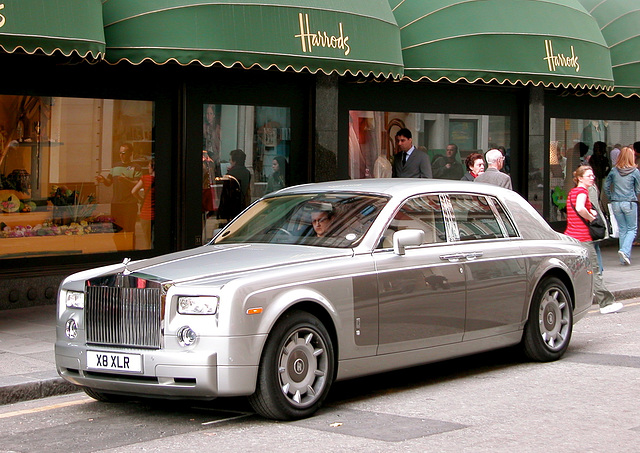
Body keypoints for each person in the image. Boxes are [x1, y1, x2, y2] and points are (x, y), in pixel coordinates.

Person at [566, 166, 622, 314]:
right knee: (594, 270)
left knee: (576, 271)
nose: (592, 178)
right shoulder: (582, 191)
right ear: (579, 178)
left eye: (592, 175)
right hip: (583, 237)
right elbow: (579, 208)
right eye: (589, 176)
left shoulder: (573, 192)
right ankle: (606, 303)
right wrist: (590, 217)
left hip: (571, 235)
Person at [604, 146, 640, 265]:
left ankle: (623, 258)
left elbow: (606, 186)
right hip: (629, 203)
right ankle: (624, 251)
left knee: (623, 229)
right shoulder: (635, 171)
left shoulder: (614, 171)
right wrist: (633, 194)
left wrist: (611, 197)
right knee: (632, 229)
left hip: (616, 203)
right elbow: (638, 188)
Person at [95, 143, 142, 232]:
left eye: (124, 153)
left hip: (129, 203)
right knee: (116, 230)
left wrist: (126, 180)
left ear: (130, 153)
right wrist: (103, 180)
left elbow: (137, 184)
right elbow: (109, 182)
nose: (121, 155)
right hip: (116, 203)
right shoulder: (115, 166)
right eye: (120, 153)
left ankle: (130, 246)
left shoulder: (136, 167)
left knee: (129, 230)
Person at [217, 149, 251, 222]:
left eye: (230, 160)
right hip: (244, 207)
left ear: (234, 161)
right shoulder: (247, 173)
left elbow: (225, 195)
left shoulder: (230, 175)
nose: (230, 162)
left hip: (231, 209)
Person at [131, 159, 155, 248]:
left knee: (147, 241)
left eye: (149, 166)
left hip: (146, 215)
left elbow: (133, 191)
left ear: (151, 168)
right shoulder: (162, 180)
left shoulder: (145, 178)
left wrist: (141, 199)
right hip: (156, 215)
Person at [203, 104, 221, 178]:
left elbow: (219, 145)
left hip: (215, 156)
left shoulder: (217, 128)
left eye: (210, 114)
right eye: (207, 114)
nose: (208, 116)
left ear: (214, 115)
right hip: (207, 155)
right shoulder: (205, 126)